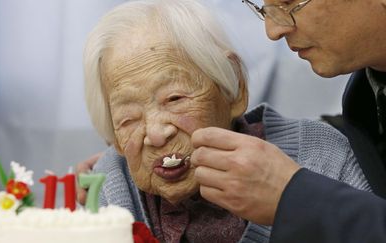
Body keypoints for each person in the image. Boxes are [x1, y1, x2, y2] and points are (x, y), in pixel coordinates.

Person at [78, 0, 372, 242]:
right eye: (128, 119)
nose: (156, 135)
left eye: (175, 99)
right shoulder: (110, 184)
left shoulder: (323, 159)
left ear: (233, 89)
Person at [190, 0, 386, 242]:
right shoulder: (364, 100)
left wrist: (295, 197)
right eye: (263, 9)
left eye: (289, 3)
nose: (273, 31)